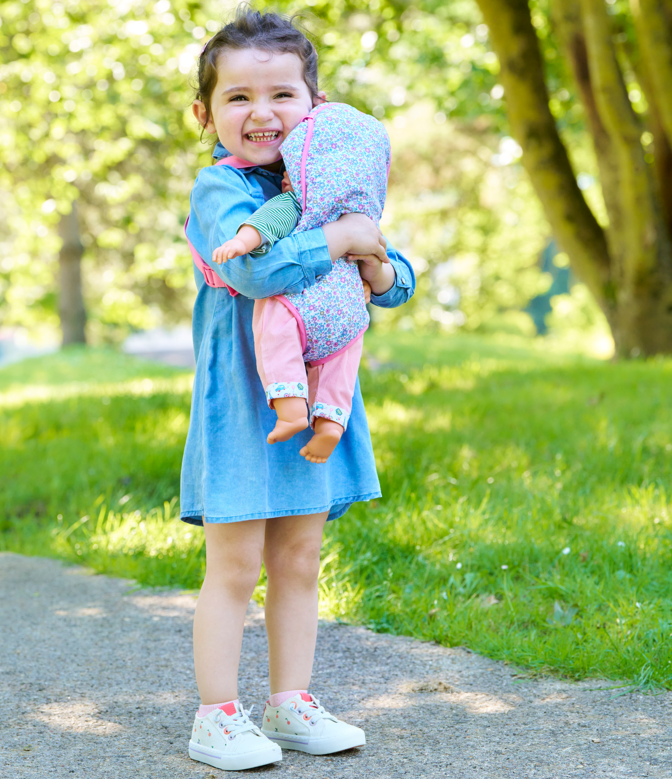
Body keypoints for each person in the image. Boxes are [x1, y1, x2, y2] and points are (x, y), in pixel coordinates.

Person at [182, 8, 416, 772]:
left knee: (301, 556)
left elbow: (390, 272)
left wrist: (377, 264)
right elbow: (255, 270)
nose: (262, 114)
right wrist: (341, 242)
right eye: (239, 97)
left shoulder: (328, 178)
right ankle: (216, 715)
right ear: (205, 113)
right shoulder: (219, 191)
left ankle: (290, 699)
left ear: (313, 105)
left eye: (282, 95)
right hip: (245, 403)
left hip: (317, 396)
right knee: (237, 562)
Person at [210, 100, 391, 464]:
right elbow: (389, 263)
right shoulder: (363, 215)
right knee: (341, 366)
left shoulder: (297, 201)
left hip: (301, 306)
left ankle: (292, 408)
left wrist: (239, 242)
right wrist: (371, 268)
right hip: (348, 314)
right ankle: (330, 426)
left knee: (275, 324)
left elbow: (264, 227)